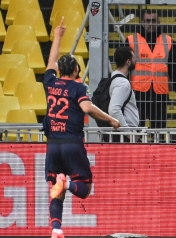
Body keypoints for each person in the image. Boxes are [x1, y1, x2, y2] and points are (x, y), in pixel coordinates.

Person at [44, 18, 120, 238]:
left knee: (55, 193)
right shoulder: (77, 88)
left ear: (59, 70)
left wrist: (57, 36)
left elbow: (50, 63)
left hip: (52, 146)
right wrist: (111, 120)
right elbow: (87, 108)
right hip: (71, 144)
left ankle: (56, 230)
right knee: (84, 189)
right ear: (77, 69)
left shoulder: (50, 83)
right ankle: (66, 184)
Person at [127, 10, 176, 130]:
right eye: (147, 21)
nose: (150, 24)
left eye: (153, 21)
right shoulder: (131, 40)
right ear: (142, 22)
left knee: (159, 129)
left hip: (159, 92)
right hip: (138, 92)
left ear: (158, 22)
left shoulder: (168, 41)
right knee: (137, 128)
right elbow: (124, 67)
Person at [108, 46, 140, 142]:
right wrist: (128, 132)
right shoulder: (122, 83)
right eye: (133, 57)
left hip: (122, 133)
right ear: (128, 62)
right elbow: (113, 110)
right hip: (124, 137)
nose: (135, 60)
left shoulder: (114, 79)